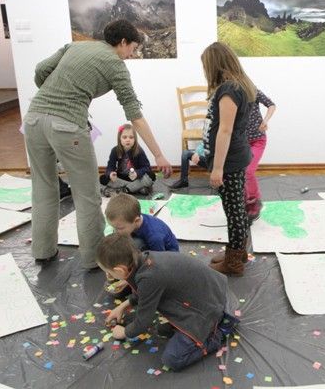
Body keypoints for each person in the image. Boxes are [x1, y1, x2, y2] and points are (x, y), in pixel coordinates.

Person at [23, 19, 171, 269]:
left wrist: (51, 94)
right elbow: (134, 114)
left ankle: (43, 251)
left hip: (33, 120)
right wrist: (158, 154)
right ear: (122, 42)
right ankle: (94, 259)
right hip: (68, 125)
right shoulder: (116, 65)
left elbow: (40, 69)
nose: (131, 54)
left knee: (43, 187)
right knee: (87, 195)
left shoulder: (75, 46)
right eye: (132, 48)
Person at [99, 233, 238, 371]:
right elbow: (143, 291)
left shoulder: (149, 277)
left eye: (109, 272)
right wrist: (123, 306)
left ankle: (218, 333)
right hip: (214, 292)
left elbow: (142, 323)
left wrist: (125, 332)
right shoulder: (144, 259)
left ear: (120, 270)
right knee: (162, 329)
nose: (109, 275)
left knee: (172, 359)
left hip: (216, 307)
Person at [200, 42, 254, 276]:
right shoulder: (239, 85)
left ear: (215, 65)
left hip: (229, 161)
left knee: (234, 212)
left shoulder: (229, 90)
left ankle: (233, 263)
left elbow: (225, 130)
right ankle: (237, 251)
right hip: (235, 156)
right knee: (237, 208)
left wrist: (218, 168)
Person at [105, 193, 178, 252]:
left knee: (133, 247)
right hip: (150, 242)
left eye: (119, 228)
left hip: (167, 254)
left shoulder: (155, 237)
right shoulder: (133, 218)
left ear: (136, 220)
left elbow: (159, 259)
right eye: (113, 227)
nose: (116, 232)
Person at [244, 89, 276, 224]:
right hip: (241, 141)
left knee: (248, 171)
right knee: (240, 172)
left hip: (258, 140)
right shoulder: (230, 94)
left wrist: (265, 120)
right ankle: (245, 201)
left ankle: (255, 200)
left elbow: (271, 105)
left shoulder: (253, 91)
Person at [100, 123, 155, 196]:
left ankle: (124, 189)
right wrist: (110, 174)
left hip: (135, 178)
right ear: (120, 138)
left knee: (151, 175)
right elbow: (110, 167)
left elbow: (147, 168)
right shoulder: (115, 150)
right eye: (124, 137)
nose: (128, 140)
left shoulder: (139, 151)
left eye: (131, 137)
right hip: (122, 177)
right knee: (103, 178)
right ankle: (136, 188)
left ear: (135, 139)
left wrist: (137, 173)